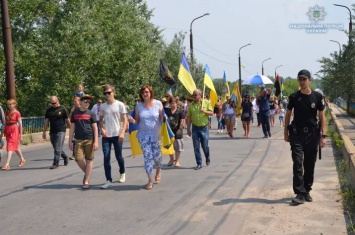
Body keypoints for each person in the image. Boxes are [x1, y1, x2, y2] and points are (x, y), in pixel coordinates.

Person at [284, 69, 326, 205]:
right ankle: (299, 193)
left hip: (313, 135)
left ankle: (306, 189)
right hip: (297, 134)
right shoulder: (294, 97)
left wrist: (323, 135)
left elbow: (322, 116)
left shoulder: (317, 97)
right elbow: (288, 114)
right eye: (300, 79)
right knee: (297, 162)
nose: (302, 82)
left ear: (309, 80)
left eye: (304, 79)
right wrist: (286, 133)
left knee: (309, 164)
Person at [128, 85, 163, 190]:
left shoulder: (158, 104)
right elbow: (137, 121)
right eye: (143, 93)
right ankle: (150, 180)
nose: (145, 94)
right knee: (148, 157)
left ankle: (158, 171)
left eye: (147, 92)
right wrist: (132, 120)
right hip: (143, 135)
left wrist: (163, 115)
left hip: (156, 135)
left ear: (150, 93)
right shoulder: (138, 106)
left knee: (157, 158)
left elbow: (162, 118)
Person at [100, 85, 128, 189]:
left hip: (117, 134)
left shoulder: (120, 105)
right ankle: (108, 180)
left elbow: (124, 119)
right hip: (107, 136)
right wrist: (102, 129)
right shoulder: (102, 106)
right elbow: (100, 119)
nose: (107, 95)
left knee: (118, 156)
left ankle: (122, 172)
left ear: (113, 92)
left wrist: (122, 133)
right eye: (105, 93)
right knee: (106, 157)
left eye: (109, 92)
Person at [69, 95, 98, 189]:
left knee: (89, 159)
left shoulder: (91, 113)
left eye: (89, 102)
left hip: (90, 139)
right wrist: (70, 141)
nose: (87, 103)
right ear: (80, 102)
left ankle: (86, 181)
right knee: (78, 159)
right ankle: (88, 173)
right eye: (85, 101)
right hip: (78, 140)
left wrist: (96, 141)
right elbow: (72, 127)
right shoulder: (75, 113)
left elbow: (95, 128)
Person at [186, 89, 213, 170]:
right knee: (196, 146)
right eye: (193, 95)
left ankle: (207, 156)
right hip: (195, 128)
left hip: (204, 127)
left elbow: (212, 113)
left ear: (200, 95)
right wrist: (188, 129)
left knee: (205, 146)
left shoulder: (206, 103)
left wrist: (204, 111)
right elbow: (189, 118)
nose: (194, 96)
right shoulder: (191, 105)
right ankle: (199, 163)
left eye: (196, 94)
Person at [43, 96, 70, 169]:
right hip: (52, 131)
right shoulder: (49, 110)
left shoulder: (63, 109)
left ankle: (55, 163)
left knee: (58, 148)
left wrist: (71, 129)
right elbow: (46, 121)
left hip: (61, 131)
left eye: (54, 103)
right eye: (51, 103)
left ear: (57, 101)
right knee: (56, 147)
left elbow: (68, 120)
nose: (53, 105)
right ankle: (64, 156)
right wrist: (44, 132)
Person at [1, 99, 26, 170]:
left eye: (11, 104)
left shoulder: (17, 113)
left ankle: (7, 164)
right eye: (8, 104)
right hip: (7, 130)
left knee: (10, 146)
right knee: (14, 146)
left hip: (14, 130)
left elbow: (20, 125)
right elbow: (5, 122)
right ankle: (22, 159)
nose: (9, 105)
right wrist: (3, 132)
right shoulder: (6, 112)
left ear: (14, 104)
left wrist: (21, 135)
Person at [167, 97, 184, 167]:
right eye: (171, 103)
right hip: (169, 132)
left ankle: (177, 161)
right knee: (168, 146)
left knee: (178, 147)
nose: (172, 104)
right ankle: (171, 159)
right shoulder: (167, 111)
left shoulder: (179, 111)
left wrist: (180, 129)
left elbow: (182, 120)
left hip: (177, 131)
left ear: (176, 103)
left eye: (174, 103)